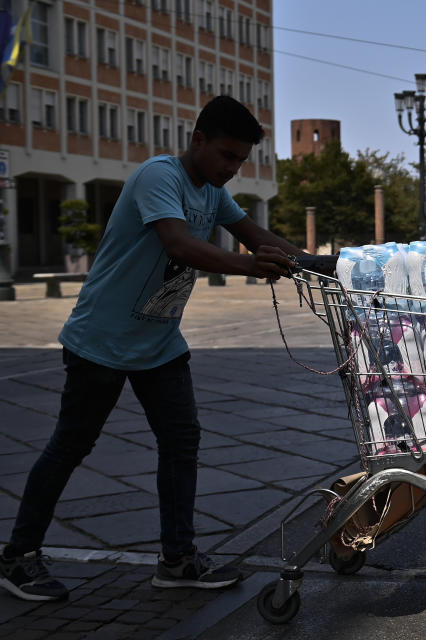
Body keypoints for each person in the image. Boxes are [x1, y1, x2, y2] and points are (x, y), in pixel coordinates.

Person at [0, 96, 304, 602]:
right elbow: (178, 244)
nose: (232, 169)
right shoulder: (158, 177)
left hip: (160, 343)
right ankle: (17, 557)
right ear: (198, 140)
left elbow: (255, 235)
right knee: (71, 445)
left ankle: (178, 559)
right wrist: (251, 268)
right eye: (227, 156)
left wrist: (327, 264)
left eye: (241, 161)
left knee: (181, 442)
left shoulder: (213, 191)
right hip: (102, 340)